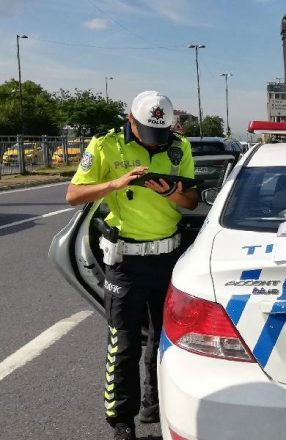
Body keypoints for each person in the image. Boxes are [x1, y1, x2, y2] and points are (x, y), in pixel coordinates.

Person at [65, 91, 197, 440]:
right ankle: (121, 419)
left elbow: (192, 199)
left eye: (162, 134)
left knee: (163, 339)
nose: (156, 142)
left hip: (168, 257)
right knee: (124, 342)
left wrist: (169, 192)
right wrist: (116, 183)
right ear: (131, 120)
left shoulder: (178, 147)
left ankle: (155, 404)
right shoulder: (106, 146)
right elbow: (74, 195)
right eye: (149, 134)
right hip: (125, 261)